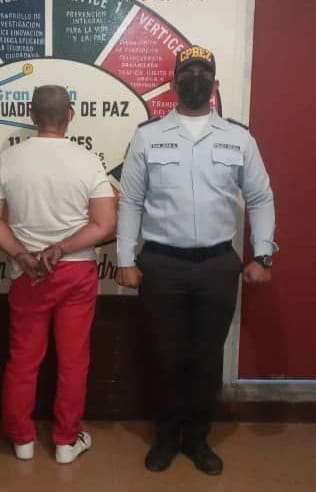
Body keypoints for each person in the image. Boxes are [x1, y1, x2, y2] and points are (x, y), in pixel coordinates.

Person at [116, 46, 277, 475]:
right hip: (161, 264)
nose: (196, 78)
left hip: (217, 265)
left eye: (203, 72)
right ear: (174, 84)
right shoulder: (148, 136)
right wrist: (125, 258)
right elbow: (130, 200)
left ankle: (198, 439)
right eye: (188, 72)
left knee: (207, 357)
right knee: (165, 355)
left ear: (215, 84)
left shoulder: (238, 138)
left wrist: (263, 254)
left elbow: (261, 198)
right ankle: (167, 438)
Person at [0, 85, 116, 464]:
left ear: (31, 115)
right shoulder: (88, 161)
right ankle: (65, 442)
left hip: (27, 274)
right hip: (75, 272)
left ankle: (22, 440)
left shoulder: (7, 160)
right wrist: (60, 250)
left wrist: (22, 255)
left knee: (23, 360)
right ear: (70, 116)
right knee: (74, 361)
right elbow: (104, 224)